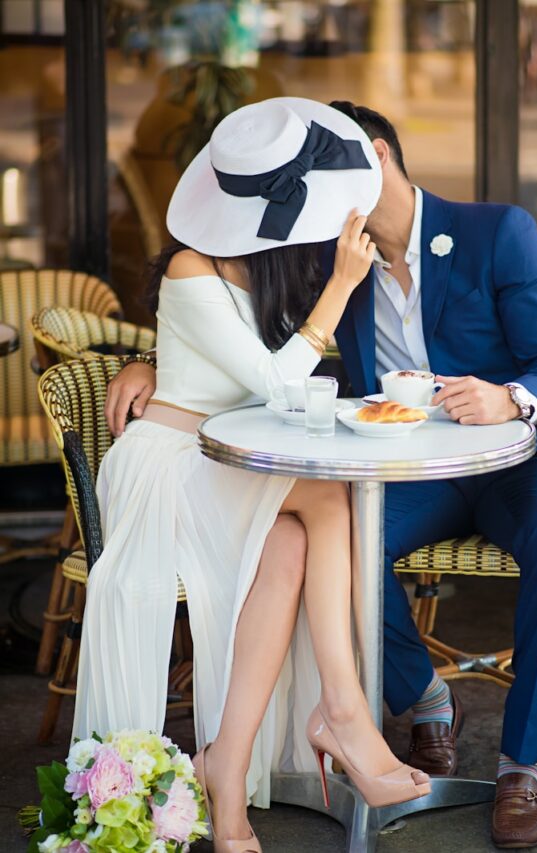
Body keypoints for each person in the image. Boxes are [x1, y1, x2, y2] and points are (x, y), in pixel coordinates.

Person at [107, 100, 537, 849]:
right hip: (403, 469)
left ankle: (519, 764)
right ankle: (426, 701)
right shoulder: (332, 261)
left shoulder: (497, 232)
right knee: (346, 535)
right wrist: (147, 361)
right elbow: (240, 335)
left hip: (516, 460)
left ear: (371, 157)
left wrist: (510, 399)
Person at [75, 98, 431, 853]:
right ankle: (344, 711)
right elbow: (273, 382)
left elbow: (265, 374)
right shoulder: (188, 265)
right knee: (331, 497)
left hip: (224, 464)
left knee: (295, 547)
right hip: (167, 468)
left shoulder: (269, 263)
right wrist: (339, 286)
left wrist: (157, 357)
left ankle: (225, 775)